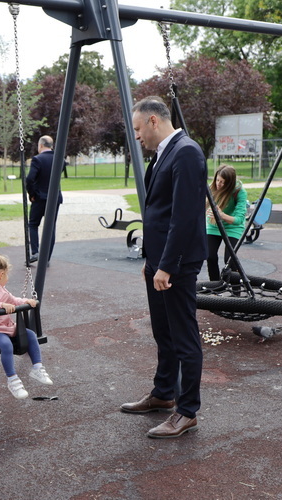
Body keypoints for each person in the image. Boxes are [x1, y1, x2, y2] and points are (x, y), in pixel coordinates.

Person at [119, 97, 208, 439]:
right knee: (163, 332)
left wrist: (167, 266)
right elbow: (159, 212)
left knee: (183, 336)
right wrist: (151, 261)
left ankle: (187, 412)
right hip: (160, 261)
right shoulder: (163, 153)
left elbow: (184, 217)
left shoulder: (186, 152)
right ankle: (163, 392)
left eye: (138, 128)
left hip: (177, 264)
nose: (137, 136)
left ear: (153, 121)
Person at [0, 244, 53, 399]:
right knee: (6, 344)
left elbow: (14, 300)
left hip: (6, 328)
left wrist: (26, 301)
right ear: (1, 275)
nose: (7, 278)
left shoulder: (1, 289)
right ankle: (12, 380)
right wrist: (1, 305)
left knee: (30, 335)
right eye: (7, 275)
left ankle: (37, 368)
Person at [205, 164, 247, 281]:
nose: (219, 184)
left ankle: (236, 289)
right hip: (214, 225)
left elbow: (238, 219)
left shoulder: (239, 192)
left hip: (232, 227)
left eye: (223, 182)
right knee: (210, 256)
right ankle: (215, 286)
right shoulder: (212, 188)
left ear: (230, 183)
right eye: (217, 180)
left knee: (229, 260)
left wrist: (221, 215)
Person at [26, 135, 63, 263]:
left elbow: (30, 179)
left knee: (33, 224)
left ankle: (35, 252)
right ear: (51, 146)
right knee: (50, 227)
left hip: (40, 197)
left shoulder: (37, 159)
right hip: (55, 197)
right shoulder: (59, 159)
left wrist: (32, 193)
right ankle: (46, 258)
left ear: (41, 145)